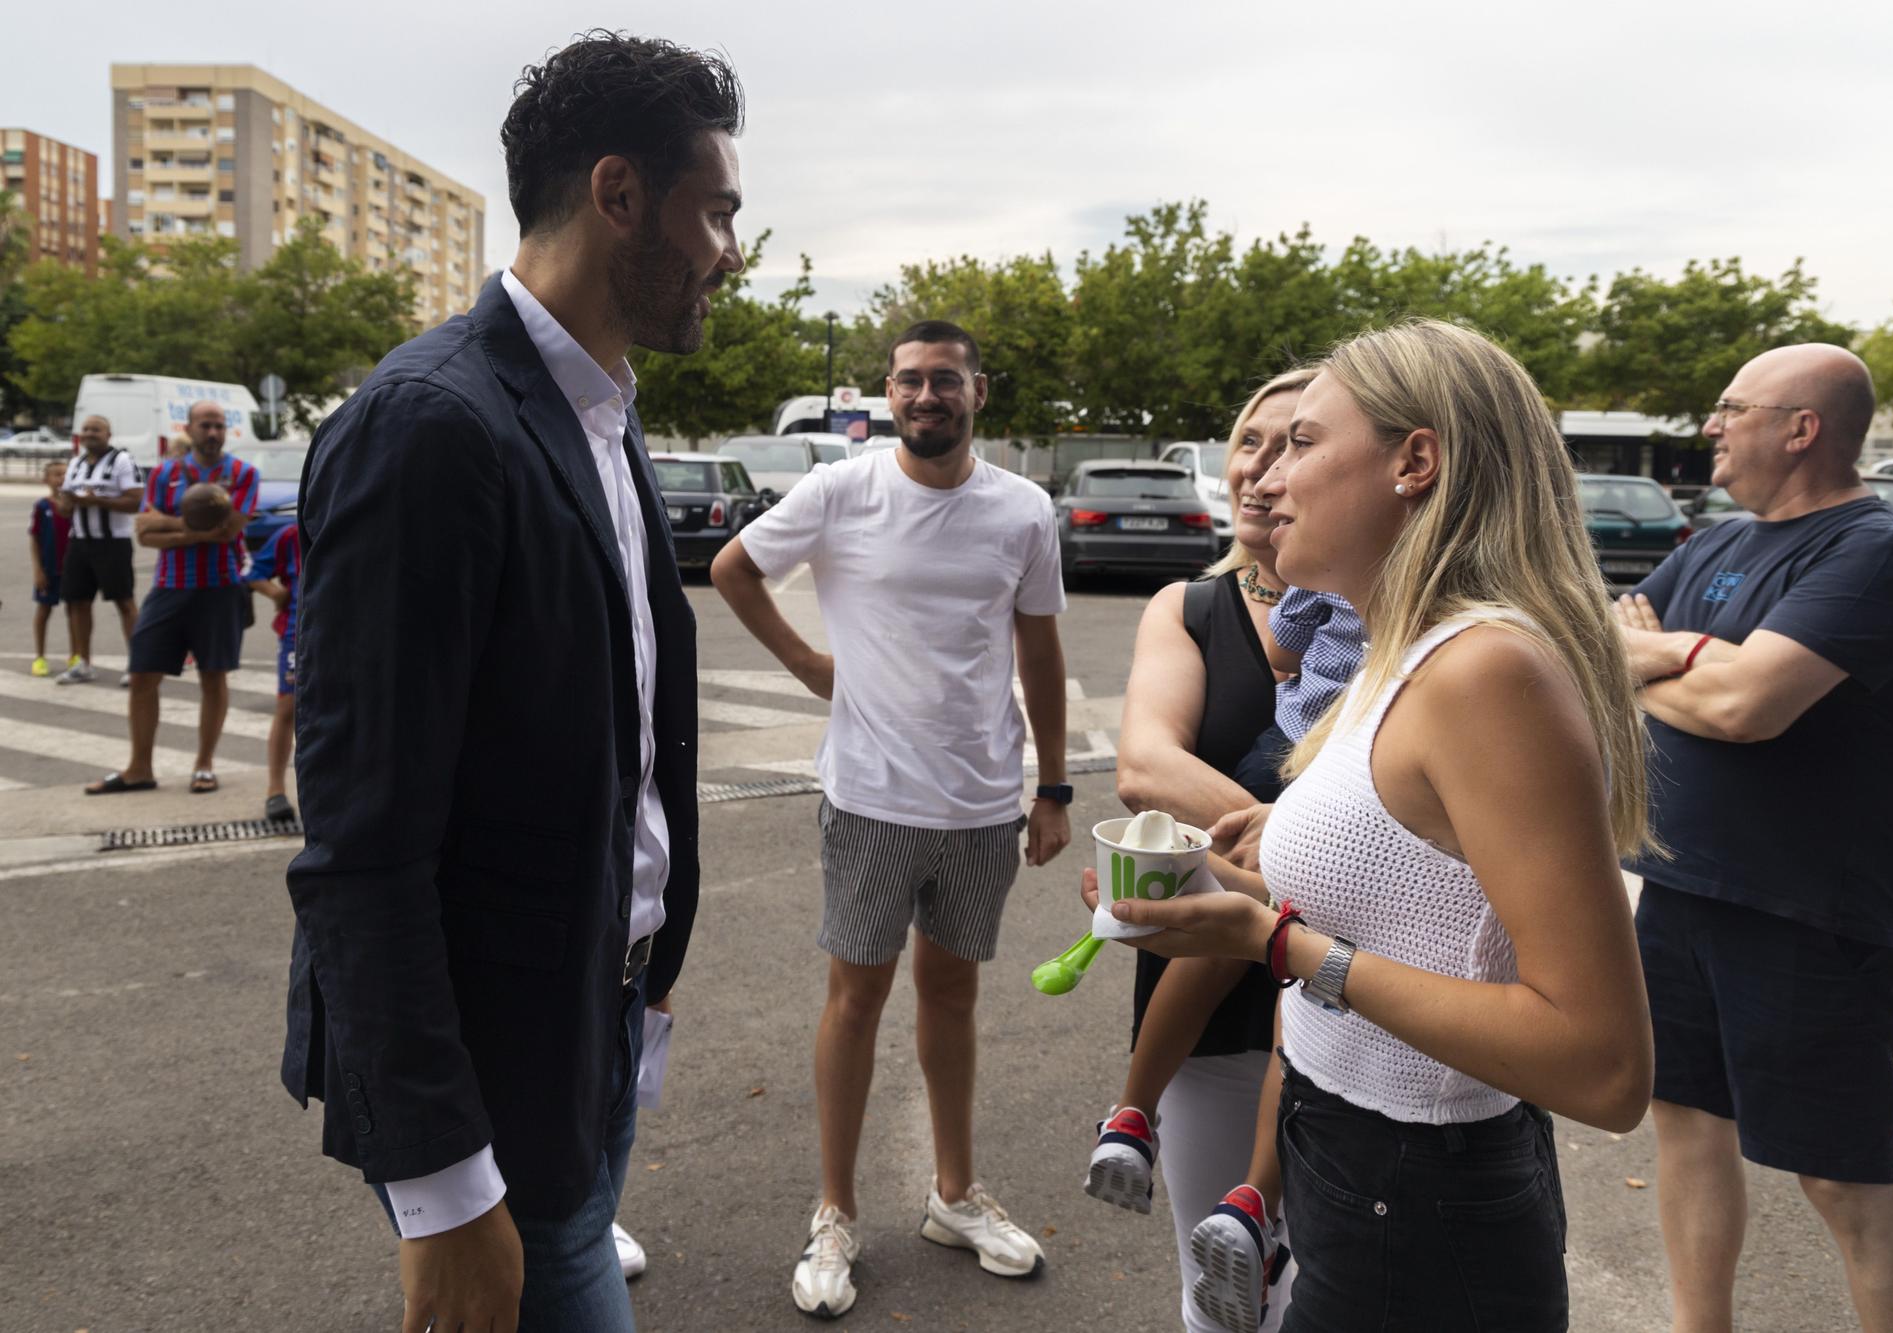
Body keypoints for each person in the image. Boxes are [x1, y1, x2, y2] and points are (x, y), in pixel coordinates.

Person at [280, 33, 741, 1333]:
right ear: (617, 196)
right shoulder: (432, 427)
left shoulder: (600, 406)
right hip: (486, 1078)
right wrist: (438, 1184)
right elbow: (361, 846)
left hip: (586, 1031)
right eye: (716, 212)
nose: (727, 252)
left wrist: (640, 990)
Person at [1086, 319, 1655, 1331]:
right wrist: (1213, 898)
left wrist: (1278, 943)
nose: (1263, 478)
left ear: (1414, 461)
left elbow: (1601, 1066)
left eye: (1301, 441)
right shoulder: (1397, 654)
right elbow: (1408, 905)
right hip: (1339, 1149)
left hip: (1421, 1192)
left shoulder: (1483, 671)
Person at [711, 320, 1071, 1322]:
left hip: (977, 800)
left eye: (944, 380)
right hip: (869, 796)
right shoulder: (842, 489)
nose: (926, 395)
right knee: (854, 999)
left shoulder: (1021, 511)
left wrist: (1052, 787)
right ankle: (833, 1212)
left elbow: (1039, 652)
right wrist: (806, 666)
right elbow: (733, 568)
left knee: (950, 996)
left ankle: (953, 1195)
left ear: (977, 392)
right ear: (888, 392)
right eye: (910, 380)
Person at [1612, 344, 1893, 1333]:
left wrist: (1654, 653)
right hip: (1679, 891)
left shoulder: (1873, 552)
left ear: (1798, 427)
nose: (1710, 426)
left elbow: (1746, 706)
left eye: (1730, 409)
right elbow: (1597, 643)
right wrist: (1665, 653)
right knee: (1683, 1131)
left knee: (1841, 1184)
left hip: (1809, 913)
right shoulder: (1717, 544)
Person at [1083, 366, 1348, 1333]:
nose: (1261, 470)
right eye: (1249, 441)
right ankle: (1132, 1116)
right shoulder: (1190, 608)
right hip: (1210, 1009)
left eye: (1295, 445)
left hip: (1351, 1002)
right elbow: (1147, 766)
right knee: (1223, 1290)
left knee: (1323, 1282)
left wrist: (1294, 854)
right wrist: (1294, 852)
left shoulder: (1382, 619)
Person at [84, 401, 259, 796]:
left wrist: (169, 525)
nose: (212, 433)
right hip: (169, 586)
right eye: (205, 425)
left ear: (225, 430)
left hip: (220, 587)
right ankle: (139, 768)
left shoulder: (243, 474)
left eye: (218, 426)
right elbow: (145, 535)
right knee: (144, 674)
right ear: (190, 427)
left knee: (213, 676)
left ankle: (204, 766)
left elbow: (228, 531)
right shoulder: (165, 473)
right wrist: (195, 528)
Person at [51, 414, 143, 686]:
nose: (90, 434)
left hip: (112, 542)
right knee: (76, 602)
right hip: (79, 542)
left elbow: (135, 502)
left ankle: (138, 665)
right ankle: (83, 663)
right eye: (86, 429)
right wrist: (66, 503)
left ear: (108, 434)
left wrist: (97, 501)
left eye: (96, 429)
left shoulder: (122, 461)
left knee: (124, 602)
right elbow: (66, 504)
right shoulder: (76, 464)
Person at [245, 518, 301, 824]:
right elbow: (254, 572)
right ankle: (276, 789)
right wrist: (276, 594)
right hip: (297, 635)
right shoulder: (290, 535)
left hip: (352, 636)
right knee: (287, 706)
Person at [28, 459, 77, 676]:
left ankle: (76, 655)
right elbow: (35, 539)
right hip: (49, 569)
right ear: (45, 479)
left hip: (73, 568)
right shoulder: (42, 506)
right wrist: (38, 569)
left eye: (65, 474)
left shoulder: (76, 505)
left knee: (74, 611)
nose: (61, 479)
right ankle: (40, 657)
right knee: (44, 610)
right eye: (56, 474)